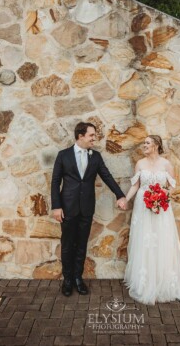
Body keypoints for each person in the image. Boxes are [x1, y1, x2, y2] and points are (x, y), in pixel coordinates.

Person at [51, 122, 127, 297]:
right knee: (68, 244)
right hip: (67, 208)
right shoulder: (63, 156)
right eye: (91, 135)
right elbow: (55, 182)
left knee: (82, 244)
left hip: (86, 208)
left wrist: (120, 195)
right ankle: (68, 280)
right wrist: (56, 206)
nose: (94, 138)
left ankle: (78, 278)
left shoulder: (96, 156)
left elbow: (106, 176)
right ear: (81, 136)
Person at [123, 135, 180, 305]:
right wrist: (126, 199)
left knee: (162, 239)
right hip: (143, 207)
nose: (144, 146)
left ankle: (163, 280)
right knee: (145, 240)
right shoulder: (140, 163)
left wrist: (160, 197)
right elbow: (136, 185)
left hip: (161, 208)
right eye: (144, 143)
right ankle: (145, 281)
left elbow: (170, 188)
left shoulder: (166, 164)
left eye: (147, 143)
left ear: (156, 145)